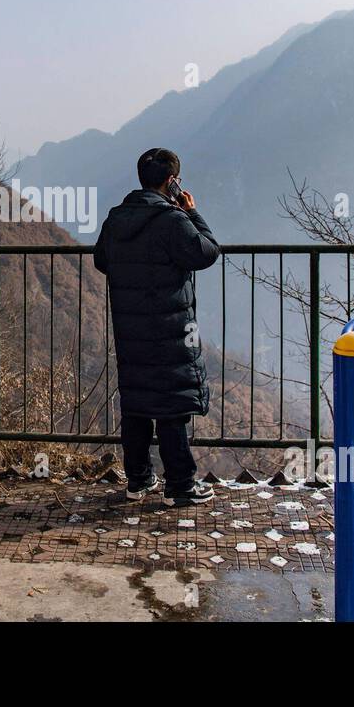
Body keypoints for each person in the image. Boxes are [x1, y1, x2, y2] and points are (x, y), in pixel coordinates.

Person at [93, 148, 221, 506]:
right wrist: (192, 212)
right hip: (170, 327)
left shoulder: (117, 218)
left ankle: (138, 480)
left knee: (136, 402)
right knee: (171, 404)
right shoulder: (172, 220)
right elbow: (207, 252)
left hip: (130, 328)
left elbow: (102, 258)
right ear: (172, 181)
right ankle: (180, 485)